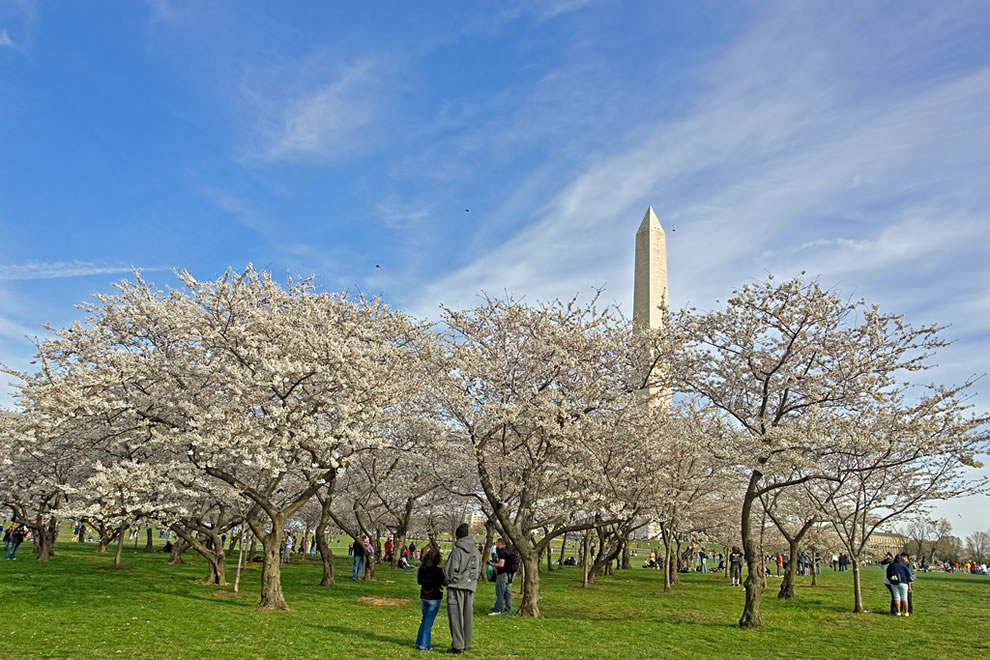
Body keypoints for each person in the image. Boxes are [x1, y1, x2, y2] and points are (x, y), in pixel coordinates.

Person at [444, 523, 481, 654]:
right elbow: (478, 570)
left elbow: (449, 572)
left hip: (456, 587)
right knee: (467, 616)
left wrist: (446, 582)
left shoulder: (457, 551)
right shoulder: (476, 551)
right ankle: (467, 643)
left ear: (457, 536)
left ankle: (458, 645)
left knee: (456, 617)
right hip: (470, 587)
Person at [415, 546, 445, 652]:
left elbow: (419, 582)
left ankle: (419, 642)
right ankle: (424, 645)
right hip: (434, 597)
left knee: (424, 620)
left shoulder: (422, 569)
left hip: (424, 596)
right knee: (428, 622)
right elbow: (443, 582)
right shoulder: (438, 571)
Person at [488, 537, 516, 616]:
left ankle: (498, 610)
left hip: (502, 574)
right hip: (508, 574)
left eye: (497, 543)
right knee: (507, 593)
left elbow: (501, 564)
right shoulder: (508, 552)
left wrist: (493, 564)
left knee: (500, 592)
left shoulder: (502, 553)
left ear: (502, 544)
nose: (496, 545)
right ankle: (508, 610)